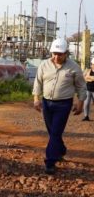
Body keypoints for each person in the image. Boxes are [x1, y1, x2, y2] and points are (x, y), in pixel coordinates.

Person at [32, 38, 86, 175]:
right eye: (54, 53)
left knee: (55, 132)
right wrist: (36, 99)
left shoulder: (74, 67)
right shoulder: (44, 65)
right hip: (47, 103)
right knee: (52, 131)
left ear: (66, 53)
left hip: (63, 104)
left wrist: (80, 103)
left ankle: (50, 162)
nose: (56, 57)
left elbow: (81, 86)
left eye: (60, 54)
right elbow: (38, 82)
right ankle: (61, 149)